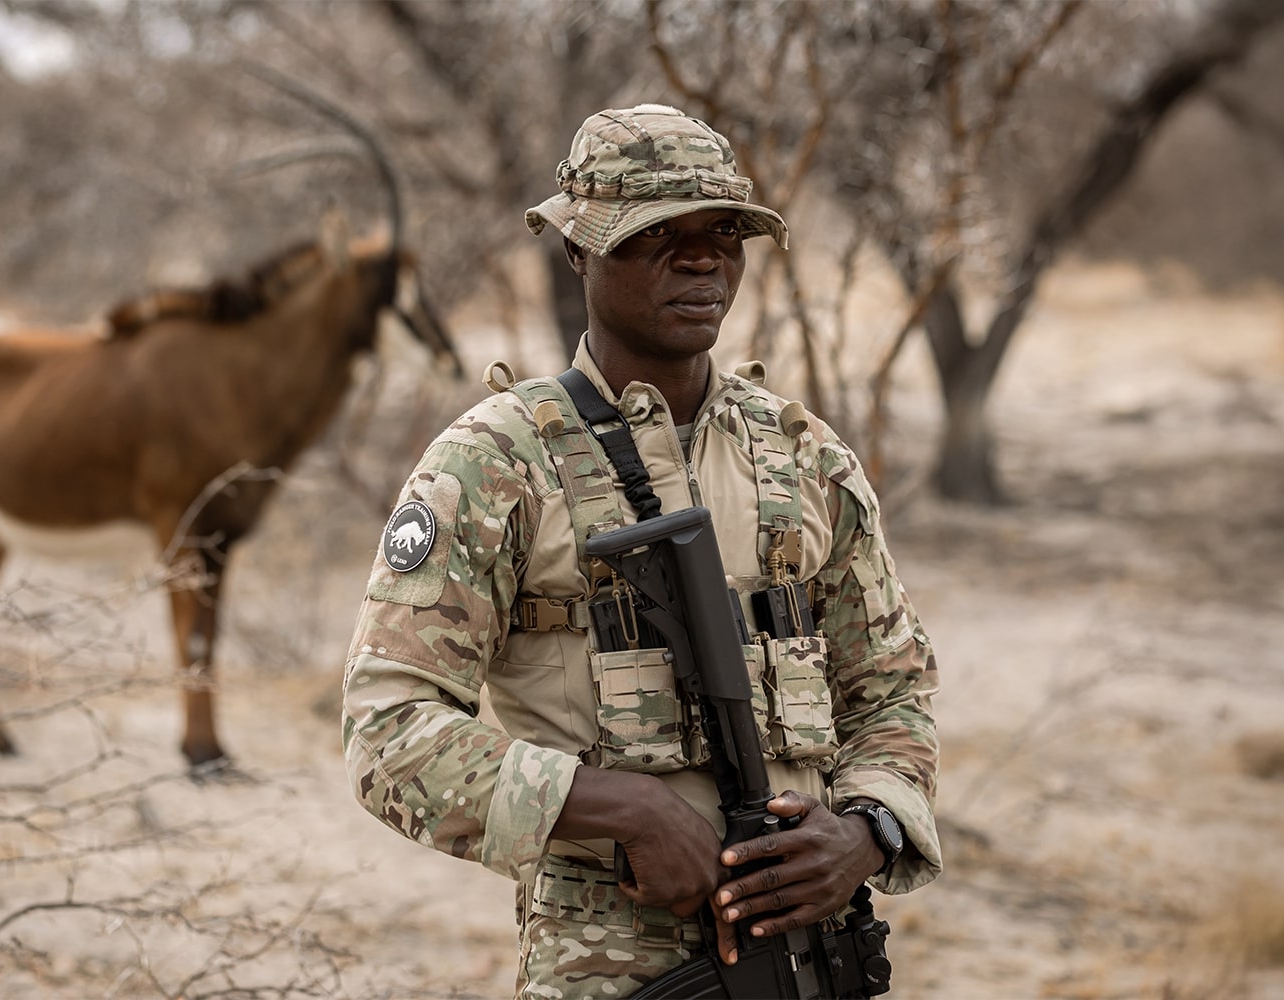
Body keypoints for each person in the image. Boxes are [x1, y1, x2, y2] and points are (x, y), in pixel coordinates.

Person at [342, 104, 941, 997]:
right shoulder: (495, 463)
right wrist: (621, 809)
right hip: (607, 962)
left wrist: (866, 832)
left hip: (814, 956)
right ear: (579, 249)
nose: (702, 259)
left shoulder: (803, 453)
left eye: (724, 232)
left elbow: (893, 688)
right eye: (657, 234)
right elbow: (387, 730)